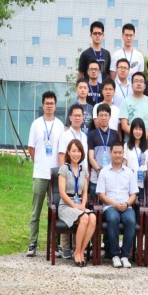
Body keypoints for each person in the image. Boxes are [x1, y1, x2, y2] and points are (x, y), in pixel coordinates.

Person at [26, 91, 65, 257]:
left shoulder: (60, 125)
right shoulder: (36, 124)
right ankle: (32, 243)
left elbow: (62, 150)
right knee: (36, 211)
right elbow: (31, 148)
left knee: (55, 211)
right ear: (43, 105)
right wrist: (40, 163)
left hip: (55, 175)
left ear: (55, 105)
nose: (49, 106)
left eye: (52, 103)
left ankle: (54, 244)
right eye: (47, 103)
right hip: (40, 174)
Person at [96, 141, 139, 268]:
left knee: (131, 220)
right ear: (111, 153)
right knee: (113, 219)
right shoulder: (104, 172)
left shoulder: (129, 172)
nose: (118, 155)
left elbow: (133, 194)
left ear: (123, 154)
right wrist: (114, 204)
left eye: (120, 153)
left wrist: (126, 203)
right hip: (110, 206)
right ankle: (115, 255)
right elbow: (101, 194)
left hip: (126, 206)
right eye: (115, 152)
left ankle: (124, 255)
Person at [57, 139, 97, 267]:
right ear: (68, 152)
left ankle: (80, 251)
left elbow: (85, 192)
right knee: (84, 218)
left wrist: (83, 205)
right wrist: (75, 206)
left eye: (79, 151)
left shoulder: (83, 170)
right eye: (73, 151)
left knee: (93, 218)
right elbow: (62, 193)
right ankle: (77, 253)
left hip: (79, 204)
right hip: (66, 206)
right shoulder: (63, 169)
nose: (76, 154)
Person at [87, 104, 119, 201]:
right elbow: (91, 157)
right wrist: (99, 170)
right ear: (97, 117)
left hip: (112, 175)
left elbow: (117, 155)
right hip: (96, 176)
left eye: (106, 115)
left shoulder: (115, 134)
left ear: (110, 116)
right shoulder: (92, 134)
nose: (103, 118)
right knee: (94, 204)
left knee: (110, 203)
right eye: (101, 115)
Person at [124, 118, 148, 185]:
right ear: (132, 130)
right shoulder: (126, 146)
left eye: (140, 129)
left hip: (143, 183)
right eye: (135, 129)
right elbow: (124, 166)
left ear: (143, 131)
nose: (138, 132)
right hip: (130, 182)